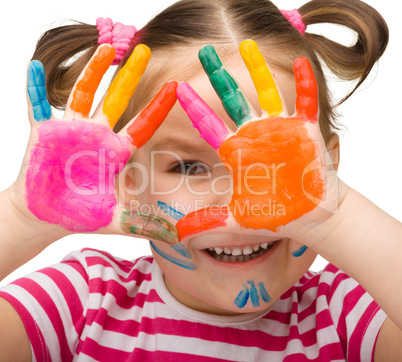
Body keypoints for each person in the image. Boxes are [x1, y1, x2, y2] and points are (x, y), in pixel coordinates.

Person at [0, 0, 401, 360]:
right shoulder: (81, 303)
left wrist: (335, 216)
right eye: (188, 168)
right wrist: (22, 218)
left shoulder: (350, 313)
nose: (239, 200)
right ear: (125, 182)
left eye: (272, 168)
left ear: (327, 168)